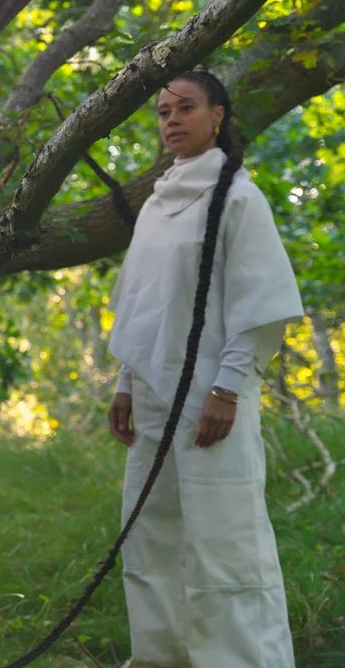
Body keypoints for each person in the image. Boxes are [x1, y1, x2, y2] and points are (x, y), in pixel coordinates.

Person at [107, 71, 303, 668]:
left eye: (185, 107)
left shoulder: (239, 196)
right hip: (153, 399)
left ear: (218, 115)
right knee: (152, 540)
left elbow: (260, 306)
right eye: (163, 111)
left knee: (225, 546)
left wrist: (228, 387)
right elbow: (139, 303)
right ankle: (162, 657)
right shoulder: (156, 205)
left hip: (211, 403)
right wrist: (124, 385)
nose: (171, 120)